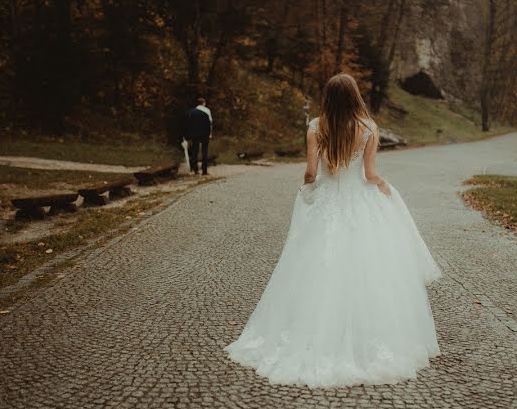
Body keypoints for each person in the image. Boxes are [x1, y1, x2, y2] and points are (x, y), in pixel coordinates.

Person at [225, 73, 440, 388]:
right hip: (358, 202)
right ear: (355, 97)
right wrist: (384, 187)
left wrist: (308, 189)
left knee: (313, 267)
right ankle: (366, 335)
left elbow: (312, 172)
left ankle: (309, 331)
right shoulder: (368, 128)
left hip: (328, 202)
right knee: (367, 268)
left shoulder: (316, 127)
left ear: (328, 97)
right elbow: (369, 174)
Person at [184, 98, 213, 175]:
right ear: (204, 103)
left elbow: (188, 124)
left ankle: (195, 169)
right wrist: (210, 133)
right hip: (204, 133)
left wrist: (187, 135)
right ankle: (204, 170)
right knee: (204, 152)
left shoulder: (191, 112)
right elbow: (209, 123)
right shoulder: (207, 111)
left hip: (195, 134)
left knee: (194, 151)